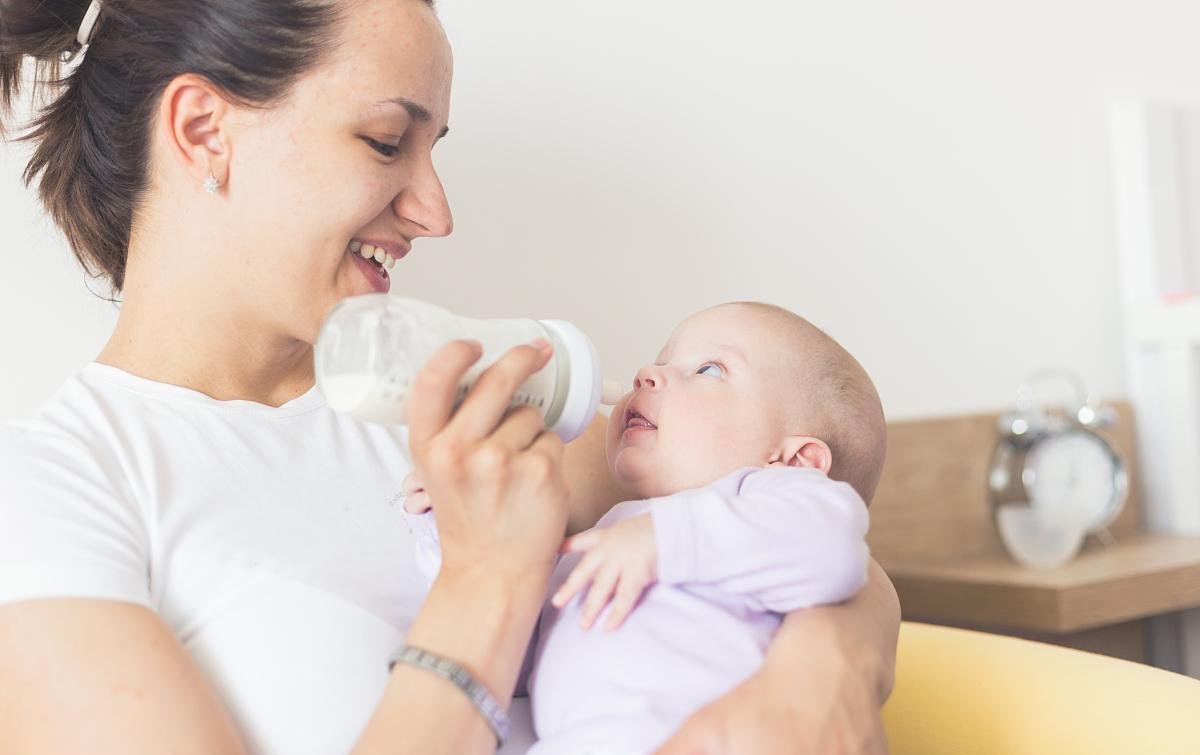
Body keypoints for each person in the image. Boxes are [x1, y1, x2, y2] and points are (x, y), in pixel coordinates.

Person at [0, 1, 901, 753]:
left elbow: (803, 523)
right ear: (204, 130)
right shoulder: (55, 495)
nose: (436, 210)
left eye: (433, 149)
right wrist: (487, 584)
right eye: (387, 140)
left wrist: (822, 676)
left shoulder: (472, 405)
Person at [402, 302, 884, 755]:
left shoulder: (765, 503)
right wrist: (452, 522)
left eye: (708, 369)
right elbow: (511, 657)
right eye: (659, 361)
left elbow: (833, 548)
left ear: (794, 461)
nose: (645, 375)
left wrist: (666, 539)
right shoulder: (607, 534)